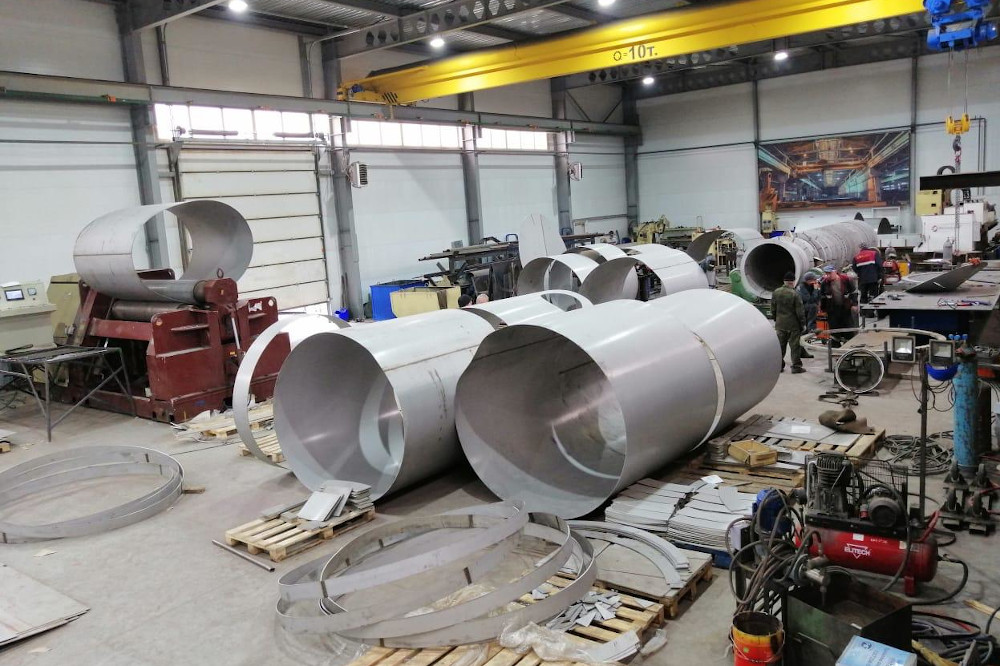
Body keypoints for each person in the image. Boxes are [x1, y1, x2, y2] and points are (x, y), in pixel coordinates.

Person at [772, 272, 807, 374]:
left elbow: (773, 308)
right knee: (795, 346)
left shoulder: (776, 292)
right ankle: (796, 367)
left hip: (780, 324)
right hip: (793, 325)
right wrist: (803, 324)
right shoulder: (795, 294)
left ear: (784, 281)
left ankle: (778, 366)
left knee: (780, 346)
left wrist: (776, 319)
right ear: (792, 282)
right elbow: (800, 312)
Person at [820, 264, 858, 337]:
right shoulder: (825, 283)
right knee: (834, 328)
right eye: (827, 274)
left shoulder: (846, 279)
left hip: (845, 308)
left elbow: (853, 292)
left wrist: (854, 304)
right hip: (832, 309)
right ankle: (835, 341)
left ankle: (848, 341)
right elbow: (823, 297)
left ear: (835, 272)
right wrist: (823, 309)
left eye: (830, 273)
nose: (828, 276)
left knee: (848, 327)